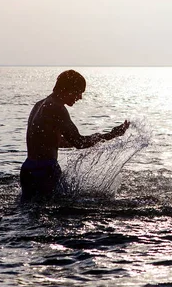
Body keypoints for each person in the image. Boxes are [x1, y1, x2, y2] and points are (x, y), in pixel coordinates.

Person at [20, 69, 130, 201]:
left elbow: (50, 141)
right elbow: (79, 142)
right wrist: (112, 135)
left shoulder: (40, 104)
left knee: (31, 213)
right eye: (79, 92)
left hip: (28, 170)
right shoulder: (57, 107)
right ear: (68, 89)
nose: (80, 97)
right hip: (45, 171)